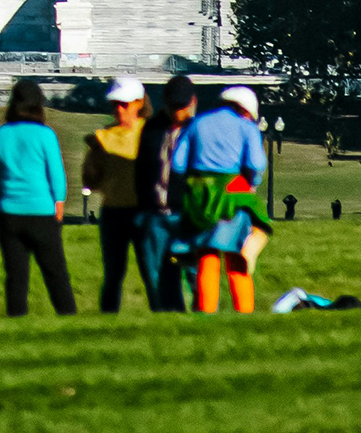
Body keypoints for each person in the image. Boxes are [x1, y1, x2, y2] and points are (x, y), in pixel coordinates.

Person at [169, 86, 269, 313]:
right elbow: (255, 164)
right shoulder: (246, 127)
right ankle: (244, 312)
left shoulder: (197, 124)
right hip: (233, 192)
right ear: (245, 110)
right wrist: (250, 183)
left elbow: (178, 163)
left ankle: (207, 312)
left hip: (199, 195)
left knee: (207, 255)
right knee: (237, 256)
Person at [0, 80, 77, 317]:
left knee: (16, 277)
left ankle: (16, 324)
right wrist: (59, 203)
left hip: (9, 214)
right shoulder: (46, 134)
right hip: (42, 212)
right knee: (56, 274)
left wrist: (2, 203)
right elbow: (56, 174)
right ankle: (68, 319)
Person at [82, 76, 150, 312]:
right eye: (115, 104)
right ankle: (108, 321)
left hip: (144, 211)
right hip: (113, 213)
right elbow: (90, 180)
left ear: (139, 103)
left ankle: (162, 318)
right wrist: (94, 156)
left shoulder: (150, 134)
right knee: (113, 275)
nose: (119, 109)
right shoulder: (103, 137)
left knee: (151, 271)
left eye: (125, 104)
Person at [135, 72, 197, 311]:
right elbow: (141, 171)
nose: (178, 112)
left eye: (182, 106)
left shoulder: (197, 129)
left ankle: (200, 316)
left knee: (194, 273)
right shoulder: (152, 128)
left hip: (187, 215)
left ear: (193, 102)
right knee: (156, 276)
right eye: (174, 106)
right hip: (155, 215)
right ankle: (165, 316)